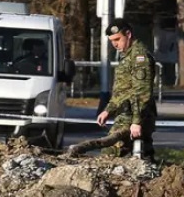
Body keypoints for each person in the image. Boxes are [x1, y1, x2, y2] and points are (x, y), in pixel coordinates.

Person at [67, 19, 157, 158]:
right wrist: (108, 110)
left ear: (128, 34)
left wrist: (136, 122)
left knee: (109, 155)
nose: (115, 44)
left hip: (133, 115)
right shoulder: (127, 56)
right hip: (128, 114)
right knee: (140, 156)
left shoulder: (139, 57)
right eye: (111, 41)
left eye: (117, 39)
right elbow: (123, 90)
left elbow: (142, 92)